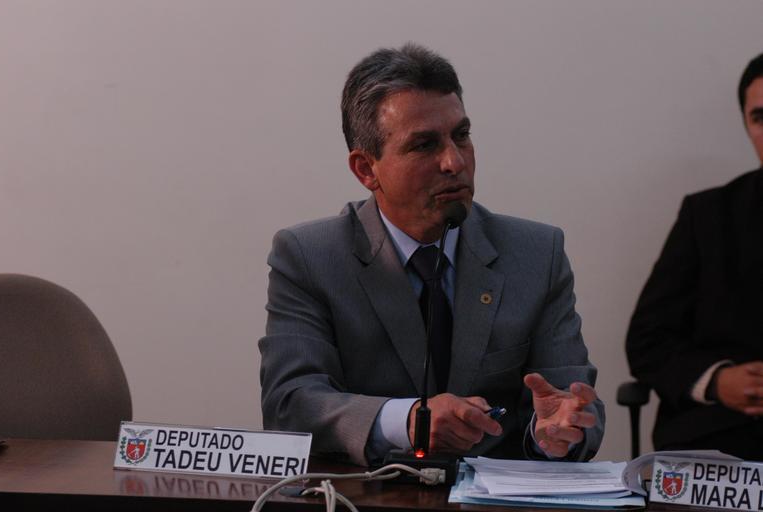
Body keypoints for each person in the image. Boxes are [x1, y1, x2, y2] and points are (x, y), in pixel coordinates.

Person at [259, 43, 604, 466]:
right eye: (424, 145)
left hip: (496, 494)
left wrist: (554, 432)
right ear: (366, 169)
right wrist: (408, 421)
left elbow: (572, 399)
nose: (454, 162)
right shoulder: (310, 257)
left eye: (461, 136)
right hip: (365, 492)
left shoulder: (535, 254)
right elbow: (290, 404)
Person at [626, 53, 763, 460]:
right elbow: (647, 340)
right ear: (747, 126)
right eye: (760, 118)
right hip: (722, 436)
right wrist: (717, 381)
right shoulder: (707, 216)